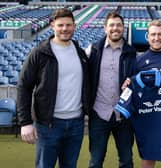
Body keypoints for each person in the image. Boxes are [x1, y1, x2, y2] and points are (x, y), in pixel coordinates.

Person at [17, 8, 90, 168]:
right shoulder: (39, 53)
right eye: (60, 25)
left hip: (76, 123)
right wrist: (25, 122)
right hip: (48, 125)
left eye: (68, 25)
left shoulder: (80, 53)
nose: (65, 28)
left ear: (74, 26)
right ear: (52, 26)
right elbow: (24, 86)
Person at [86, 11, 136, 168]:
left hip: (124, 116)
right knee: (95, 161)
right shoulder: (93, 51)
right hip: (99, 114)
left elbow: (137, 81)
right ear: (105, 28)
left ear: (123, 28)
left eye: (119, 25)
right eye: (112, 25)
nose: (115, 28)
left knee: (126, 161)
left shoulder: (132, 53)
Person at [122, 20, 161, 168]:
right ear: (147, 36)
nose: (157, 38)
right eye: (153, 34)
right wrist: (128, 85)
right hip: (148, 118)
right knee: (148, 158)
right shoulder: (138, 61)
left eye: (160, 34)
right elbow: (131, 85)